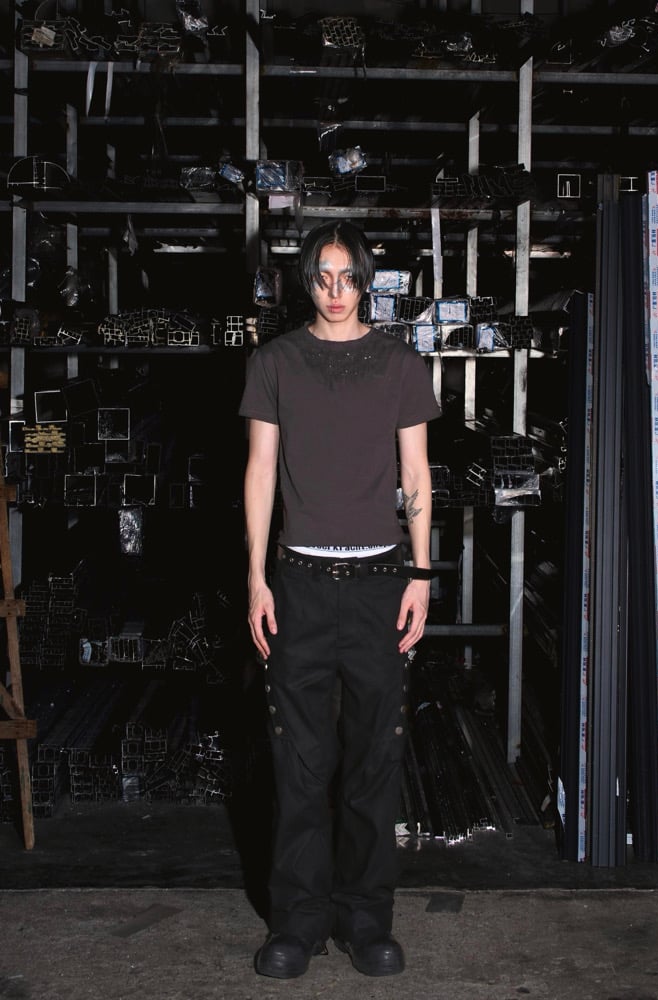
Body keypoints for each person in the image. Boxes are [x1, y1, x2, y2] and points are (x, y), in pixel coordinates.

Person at [238, 220, 441, 980]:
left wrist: (420, 575)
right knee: (298, 762)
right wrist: (256, 577)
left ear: (365, 281)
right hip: (298, 582)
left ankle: (366, 921)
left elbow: (416, 475)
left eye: (347, 276)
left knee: (373, 760)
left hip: (380, 583)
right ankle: (296, 923)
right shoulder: (274, 362)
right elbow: (260, 471)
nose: (334, 291)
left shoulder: (400, 364)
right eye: (322, 277)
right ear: (307, 281)